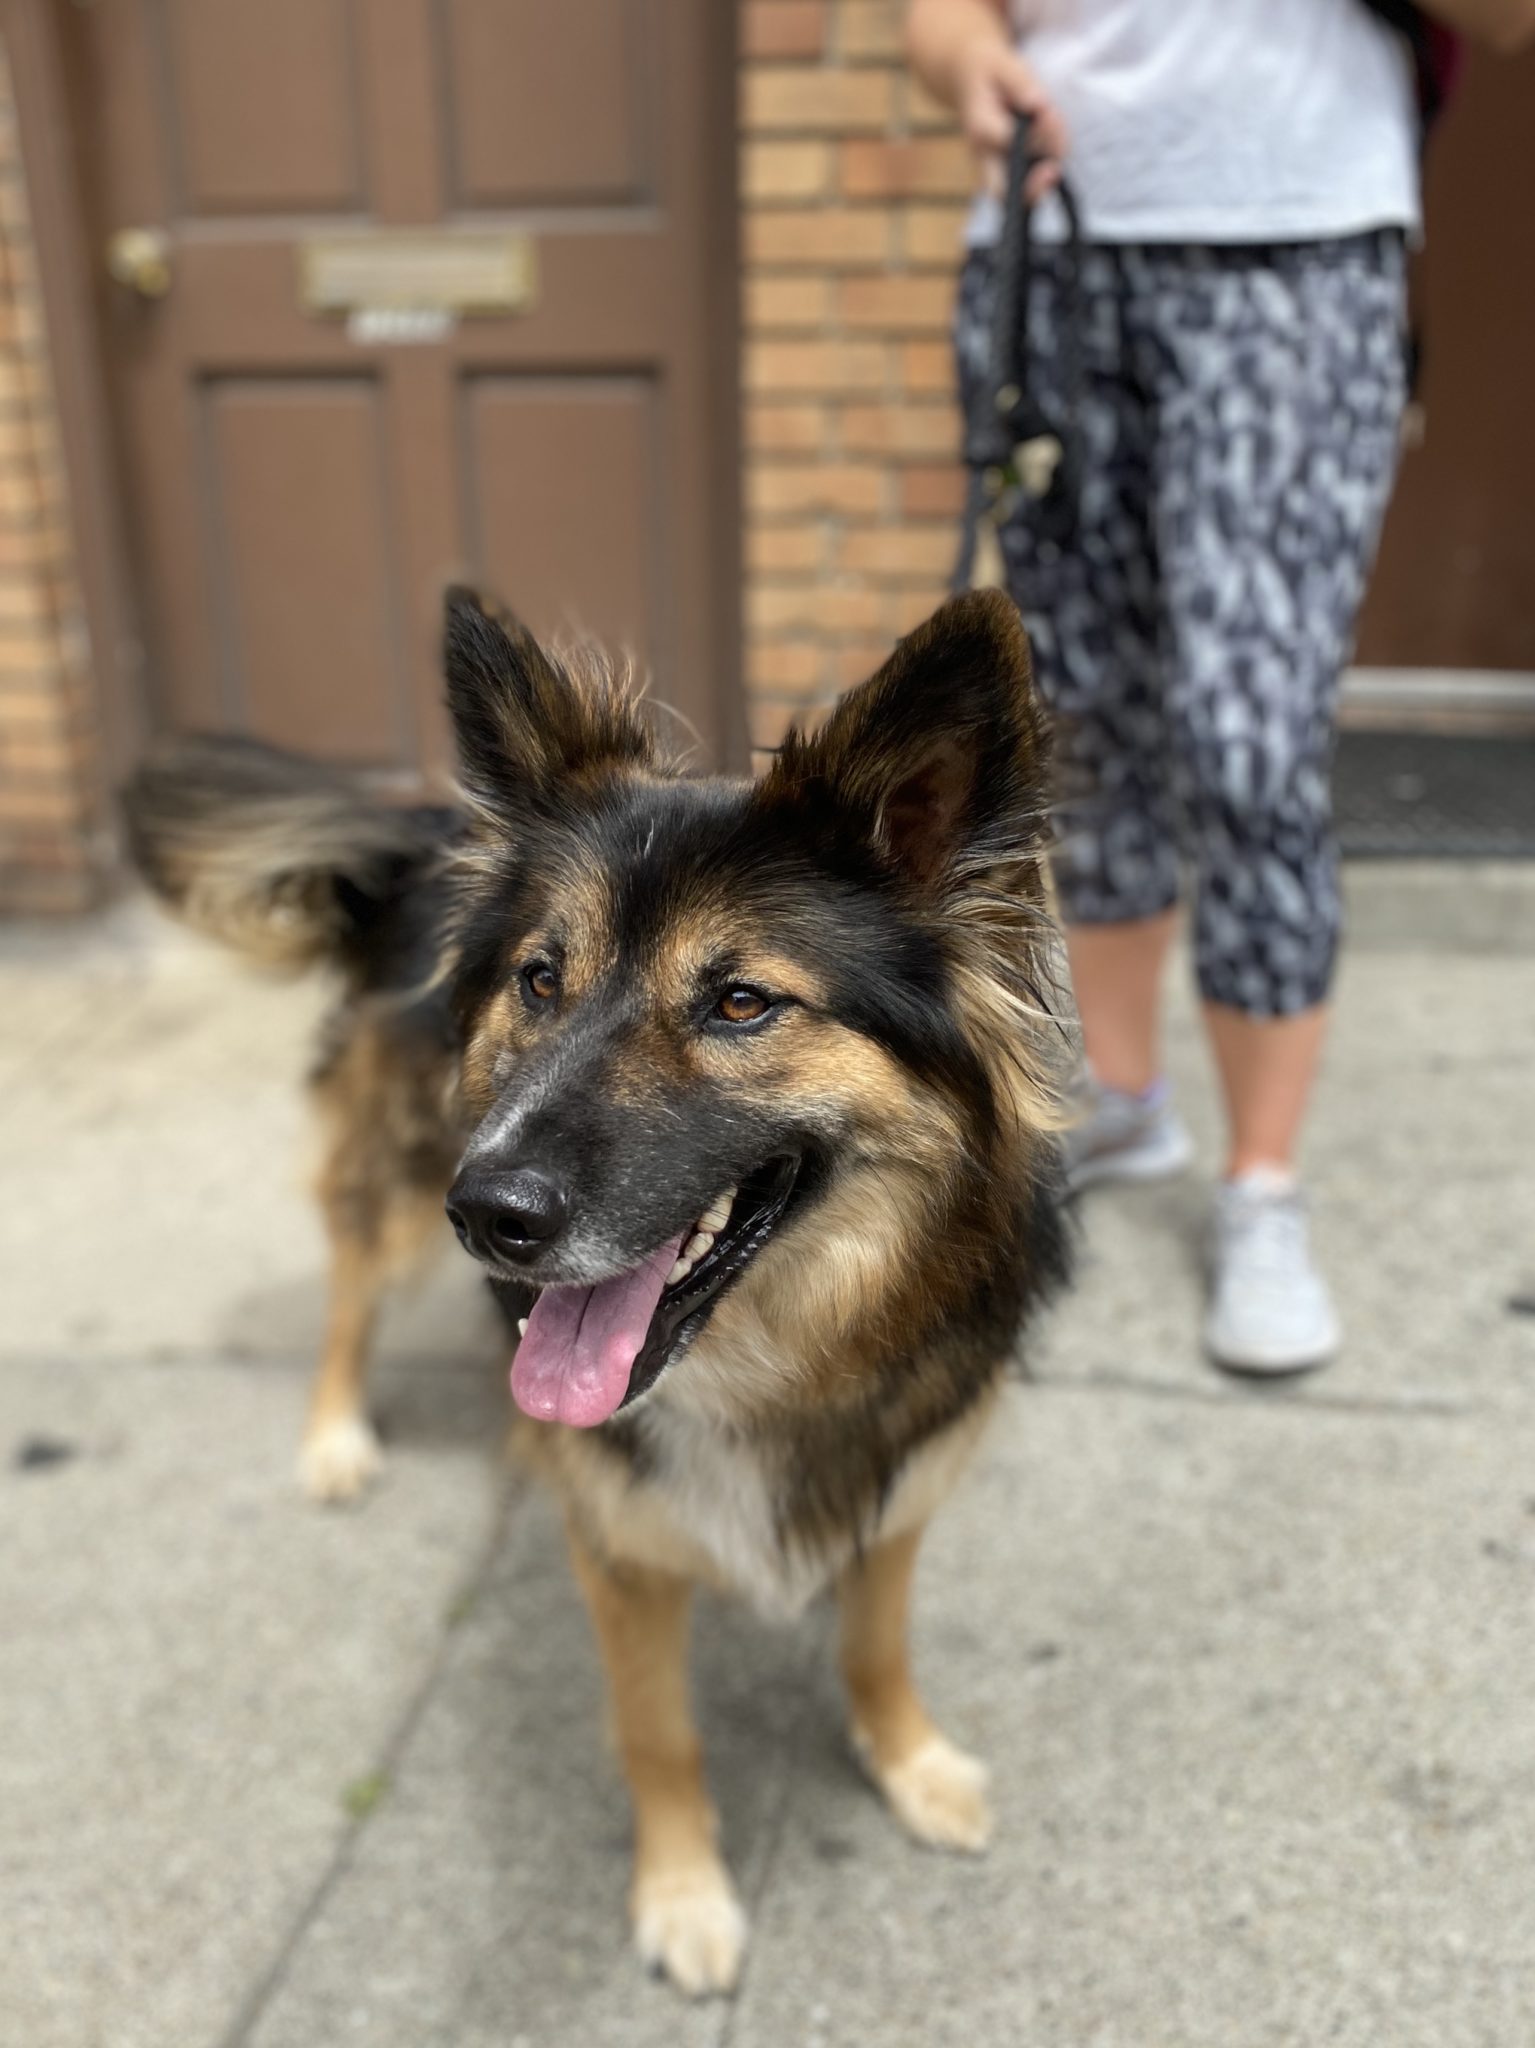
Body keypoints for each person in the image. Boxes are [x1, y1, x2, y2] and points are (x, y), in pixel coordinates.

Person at [907, 0, 1535, 1375]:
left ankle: (1261, 1186)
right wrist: (968, 65)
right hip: (1053, 249)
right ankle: (1124, 1099)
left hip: (1296, 243)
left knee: (1248, 745)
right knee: (1080, 727)